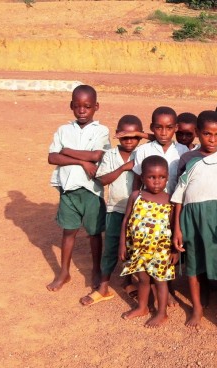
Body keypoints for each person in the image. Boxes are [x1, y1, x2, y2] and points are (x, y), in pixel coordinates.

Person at [172, 110, 217, 327]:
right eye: (207, 134)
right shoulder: (189, 159)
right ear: (197, 133)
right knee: (193, 264)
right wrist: (177, 228)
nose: (213, 139)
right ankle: (197, 309)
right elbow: (179, 197)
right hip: (190, 218)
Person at [46, 84, 110, 292]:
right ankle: (64, 272)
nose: (82, 110)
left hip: (91, 191)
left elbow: (96, 156)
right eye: (77, 106)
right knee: (69, 231)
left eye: (87, 106)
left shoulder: (101, 130)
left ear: (96, 107)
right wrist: (82, 162)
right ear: (71, 106)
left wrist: (68, 151)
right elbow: (52, 157)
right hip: (68, 190)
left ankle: (96, 270)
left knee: (94, 234)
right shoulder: (63, 130)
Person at [80, 115, 143, 305]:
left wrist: (140, 133)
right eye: (124, 137)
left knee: (133, 248)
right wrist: (125, 167)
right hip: (115, 208)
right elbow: (103, 179)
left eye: (134, 136)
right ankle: (103, 286)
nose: (129, 141)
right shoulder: (110, 155)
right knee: (112, 247)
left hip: (138, 211)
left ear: (140, 137)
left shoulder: (143, 152)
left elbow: (159, 138)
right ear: (117, 136)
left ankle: (128, 282)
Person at [119, 156, 177, 328]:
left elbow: (174, 227)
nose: (157, 182)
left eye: (161, 177)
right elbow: (126, 220)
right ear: (143, 178)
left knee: (160, 282)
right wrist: (122, 243)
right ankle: (142, 307)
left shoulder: (170, 200)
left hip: (161, 251)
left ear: (167, 177)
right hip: (138, 249)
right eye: (152, 177)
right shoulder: (136, 196)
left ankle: (161, 313)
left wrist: (175, 250)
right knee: (143, 280)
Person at [131, 106, 188, 195]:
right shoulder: (144, 150)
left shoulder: (183, 150)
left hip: (173, 202)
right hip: (148, 203)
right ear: (152, 127)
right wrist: (134, 199)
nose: (164, 133)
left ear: (176, 127)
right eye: (159, 127)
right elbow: (137, 179)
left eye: (169, 128)